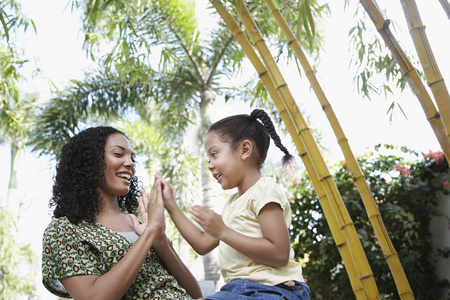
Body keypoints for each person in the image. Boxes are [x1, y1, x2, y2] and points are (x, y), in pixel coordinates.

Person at [159, 109, 311, 299]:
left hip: (274, 290)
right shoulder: (233, 203)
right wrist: (171, 205)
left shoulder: (265, 189)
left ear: (245, 150)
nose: (210, 164)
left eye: (214, 154)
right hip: (238, 291)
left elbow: (279, 253)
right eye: (209, 158)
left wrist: (223, 231)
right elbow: (202, 243)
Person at [41, 126, 202, 300]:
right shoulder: (64, 230)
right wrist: (149, 234)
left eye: (132, 158)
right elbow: (94, 297)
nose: (130, 163)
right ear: (89, 162)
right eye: (118, 154)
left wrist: (159, 238)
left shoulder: (140, 223)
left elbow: (195, 294)